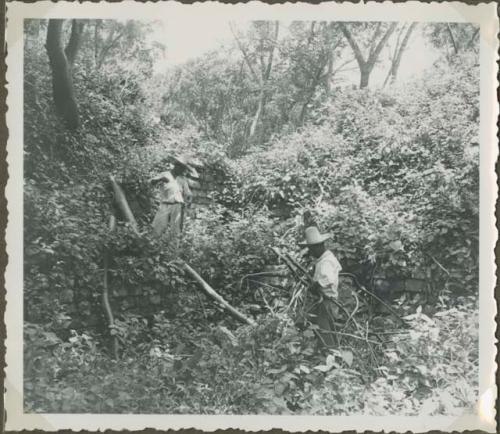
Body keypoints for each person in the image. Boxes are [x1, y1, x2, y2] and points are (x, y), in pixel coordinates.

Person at [299, 226, 342, 348]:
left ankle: (331, 352)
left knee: (325, 329)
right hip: (323, 299)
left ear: (319, 246)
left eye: (312, 249)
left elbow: (328, 279)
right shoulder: (324, 260)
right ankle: (326, 349)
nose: (311, 252)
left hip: (327, 300)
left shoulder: (326, 262)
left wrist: (316, 284)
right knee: (321, 325)